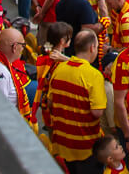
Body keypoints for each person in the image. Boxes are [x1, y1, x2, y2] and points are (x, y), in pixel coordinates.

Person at [41, 28, 108, 174]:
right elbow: (97, 112)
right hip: (86, 147)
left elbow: (51, 103)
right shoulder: (94, 75)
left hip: (62, 144)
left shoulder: (59, 69)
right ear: (92, 48)